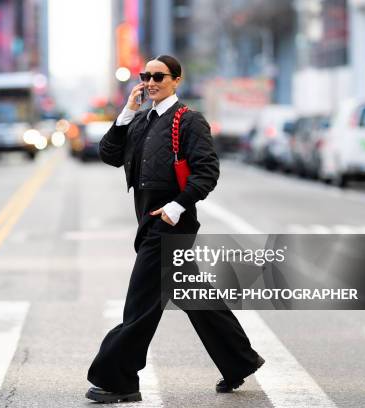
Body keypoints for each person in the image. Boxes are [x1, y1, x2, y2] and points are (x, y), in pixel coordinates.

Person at [85, 55, 264, 404]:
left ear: (176, 80)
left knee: (140, 304)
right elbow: (108, 154)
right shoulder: (139, 121)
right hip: (149, 222)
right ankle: (239, 361)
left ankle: (119, 379)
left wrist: (175, 207)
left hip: (169, 227)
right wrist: (125, 114)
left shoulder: (190, 121)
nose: (151, 82)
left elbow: (206, 172)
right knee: (193, 295)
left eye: (159, 76)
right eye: (146, 76)